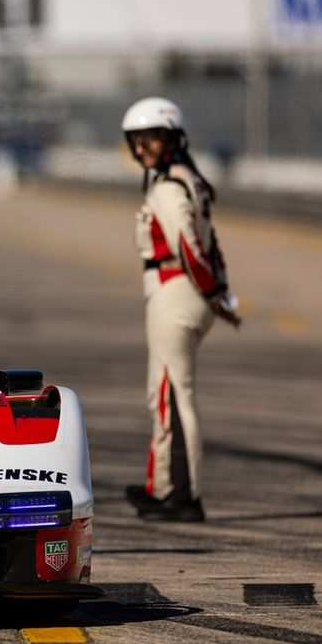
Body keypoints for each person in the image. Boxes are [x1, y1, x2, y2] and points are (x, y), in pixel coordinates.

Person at [120, 96, 241, 522]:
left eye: (150, 138)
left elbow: (189, 248)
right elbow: (212, 246)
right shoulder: (189, 180)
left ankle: (180, 495)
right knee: (168, 392)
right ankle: (165, 487)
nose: (141, 148)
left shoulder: (170, 186)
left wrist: (212, 293)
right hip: (187, 292)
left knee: (171, 394)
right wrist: (220, 294)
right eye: (136, 141)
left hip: (176, 291)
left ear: (173, 137)